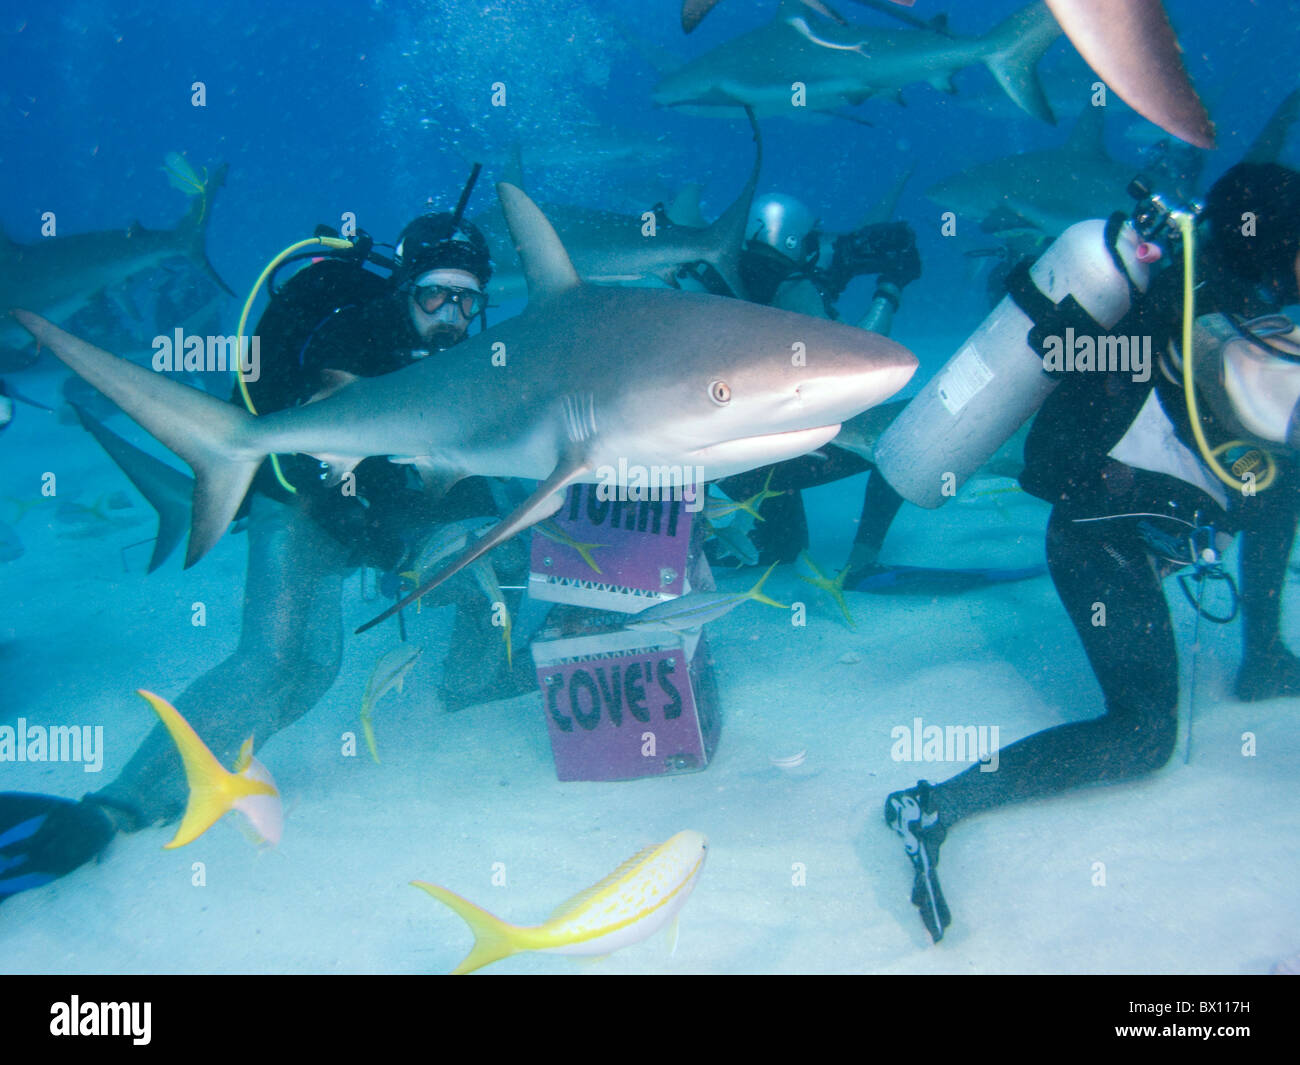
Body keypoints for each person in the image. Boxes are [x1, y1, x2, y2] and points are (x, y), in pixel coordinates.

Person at [0, 198, 528, 902]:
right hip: (299, 504)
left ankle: (471, 682)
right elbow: (286, 456)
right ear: (406, 286)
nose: (451, 317)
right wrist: (361, 527)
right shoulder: (345, 333)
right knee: (294, 662)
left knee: (504, 563)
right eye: (434, 294)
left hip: (392, 516)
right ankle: (119, 802)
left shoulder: (469, 358)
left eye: (468, 301)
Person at [883, 161, 1300, 943]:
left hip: (1134, 516)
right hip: (1097, 541)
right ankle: (932, 805)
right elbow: (1239, 404)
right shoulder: (1197, 315)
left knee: (1282, 491)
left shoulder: (1206, 292)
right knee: (1143, 737)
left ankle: (1264, 654)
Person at [711, 192, 922, 570]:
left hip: (720, 459)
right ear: (796, 241)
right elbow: (858, 358)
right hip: (765, 461)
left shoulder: (722, 277)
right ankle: (862, 562)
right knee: (900, 435)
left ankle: (741, 542)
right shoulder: (792, 287)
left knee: (783, 547)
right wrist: (891, 287)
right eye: (812, 241)